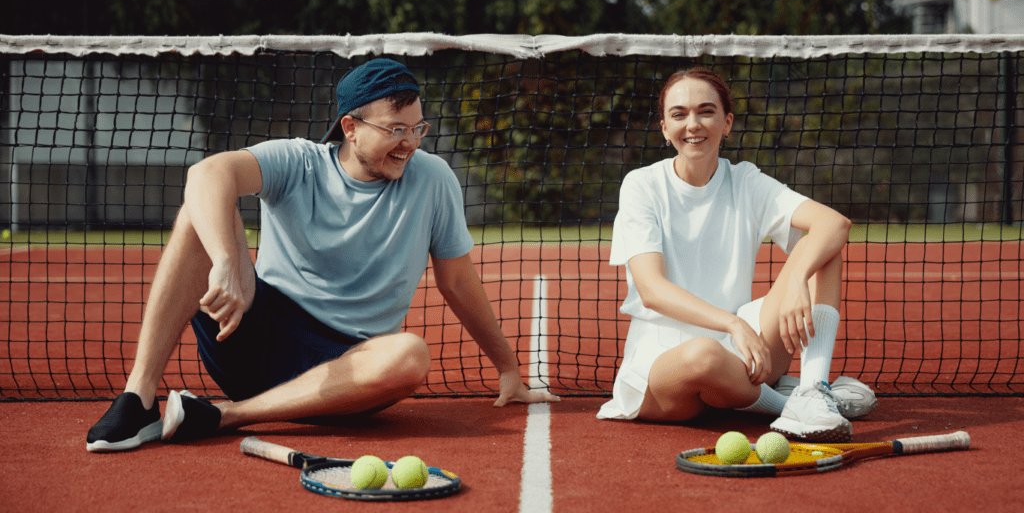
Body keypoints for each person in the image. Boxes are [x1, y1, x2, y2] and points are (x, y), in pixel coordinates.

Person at [87, 58, 558, 452]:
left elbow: (457, 283)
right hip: (254, 335)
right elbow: (209, 171)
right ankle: (139, 395)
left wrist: (508, 368)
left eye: (418, 127)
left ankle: (225, 417)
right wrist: (227, 262)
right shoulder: (299, 161)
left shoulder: (433, 180)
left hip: (347, 371)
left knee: (410, 355)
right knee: (201, 208)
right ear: (350, 127)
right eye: (396, 129)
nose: (411, 142)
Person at [596, 67, 875, 442]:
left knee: (820, 247)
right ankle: (788, 405)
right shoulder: (642, 185)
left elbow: (834, 224)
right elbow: (652, 291)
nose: (693, 124)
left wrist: (795, 279)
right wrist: (733, 324)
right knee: (704, 356)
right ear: (664, 128)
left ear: (726, 123)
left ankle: (811, 391)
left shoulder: (745, 181)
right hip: (664, 371)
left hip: (746, 356)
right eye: (679, 114)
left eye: (706, 111)